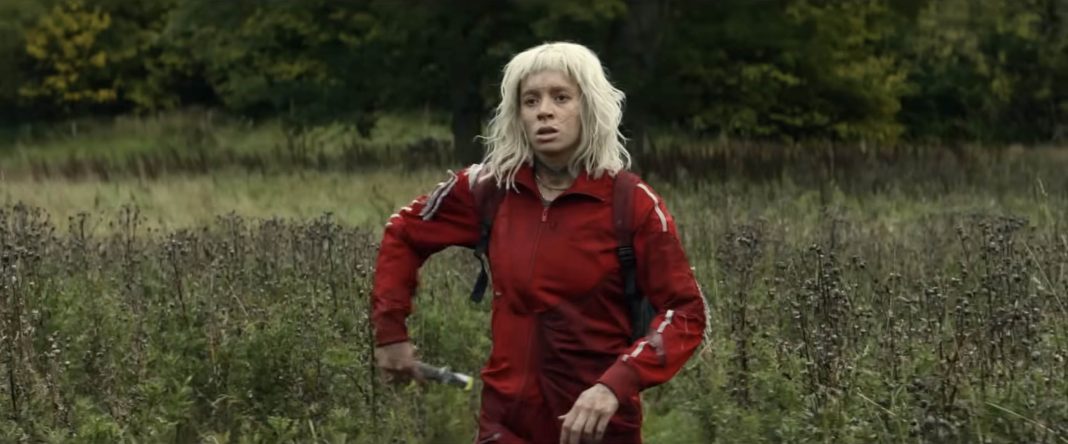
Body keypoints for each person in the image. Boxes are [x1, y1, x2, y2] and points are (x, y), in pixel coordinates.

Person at [371, 42, 708, 444]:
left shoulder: (631, 203)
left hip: (598, 428)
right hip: (505, 423)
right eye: (530, 100)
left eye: (560, 97)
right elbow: (403, 232)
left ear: (589, 106)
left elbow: (685, 312)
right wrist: (391, 333)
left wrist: (615, 385)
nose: (543, 111)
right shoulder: (488, 189)